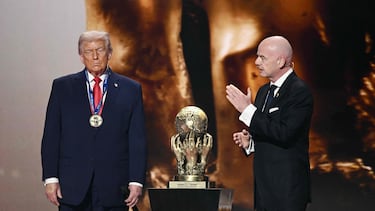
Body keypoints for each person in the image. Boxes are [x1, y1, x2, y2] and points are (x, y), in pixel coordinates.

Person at [41, 30, 147, 211]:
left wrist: (136, 181)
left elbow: (137, 140)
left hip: (114, 186)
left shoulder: (131, 89)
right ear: (81, 56)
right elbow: (51, 136)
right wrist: (51, 178)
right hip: (72, 187)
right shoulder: (63, 87)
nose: (95, 56)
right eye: (89, 51)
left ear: (110, 53)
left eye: (100, 50)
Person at [226, 35, 313, 211]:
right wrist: (251, 143)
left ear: (281, 61)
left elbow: (285, 133)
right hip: (264, 191)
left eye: (262, 57)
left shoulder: (299, 92)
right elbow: (268, 130)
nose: (257, 62)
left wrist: (247, 110)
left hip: (287, 191)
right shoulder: (264, 91)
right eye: (257, 56)